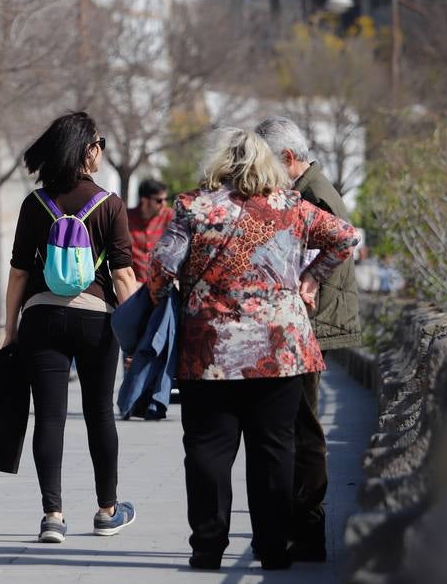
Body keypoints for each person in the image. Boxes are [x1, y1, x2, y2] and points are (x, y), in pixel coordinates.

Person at [149, 128, 358, 572]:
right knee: (274, 449)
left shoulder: (193, 206)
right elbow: (345, 236)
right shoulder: (292, 207)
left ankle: (207, 547)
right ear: (271, 164)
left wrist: (169, 295)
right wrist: (312, 277)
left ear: (220, 163)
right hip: (280, 350)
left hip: (209, 353)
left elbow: (161, 266)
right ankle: (274, 547)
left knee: (207, 449)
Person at [4, 111, 140, 545]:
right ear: (87, 149)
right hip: (96, 319)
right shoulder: (111, 205)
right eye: (99, 142)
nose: (101, 150)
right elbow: (122, 276)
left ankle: (52, 515)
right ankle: (107, 510)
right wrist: (136, 336)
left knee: (49, 416)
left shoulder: (35, 204)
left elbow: (19, 274)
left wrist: (10, 330)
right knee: (100, 412)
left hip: (42, 317)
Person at [255, 116, 361, 562]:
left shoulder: (314, 193)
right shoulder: (310, 187)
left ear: (288, 159)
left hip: (311, 321)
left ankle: (309, 528)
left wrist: (311, 279)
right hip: (307, 318)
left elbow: (340, 242)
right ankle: (302, 526)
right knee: (299, 423)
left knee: (303, 425)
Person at [127, 179, 173, 290]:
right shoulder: (125, 218)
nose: (164, 204)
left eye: (166, 199)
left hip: (161, 287)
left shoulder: (170, 217)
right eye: (159, 200)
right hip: (133, 286)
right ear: (144, 200)